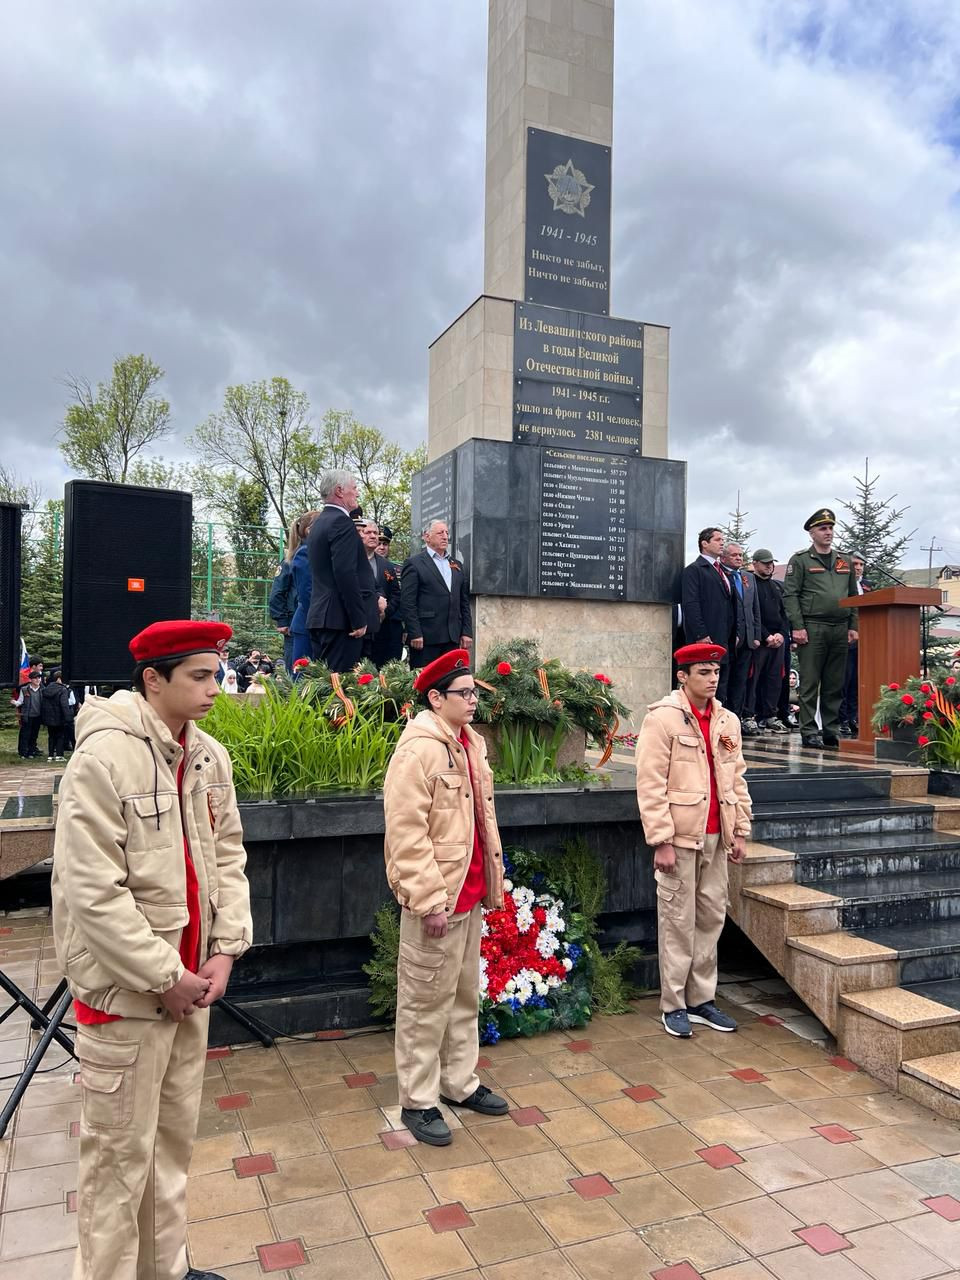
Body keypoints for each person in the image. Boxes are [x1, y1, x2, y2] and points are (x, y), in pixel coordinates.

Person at [51, 619, 253, 1280]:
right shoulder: (103, 759)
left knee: (169, 1147)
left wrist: (224, 950)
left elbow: (230, 858)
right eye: (200, 676)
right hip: (128, 998)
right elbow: (93, 894)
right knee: (115, 1166)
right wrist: (166, 975)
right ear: (152, 680)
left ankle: (166, 1268)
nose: (215, 688)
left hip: (190, 988)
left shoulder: (208, 755)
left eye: (217, 674)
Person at [382, 649, 508, 1146]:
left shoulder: (470, 743)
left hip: (469, 895)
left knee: (462, 997)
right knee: (423, 1003)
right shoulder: (418, 751)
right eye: (464, 693)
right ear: (436, 698)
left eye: (476, 692)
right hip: (438, 899)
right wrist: (429, 899)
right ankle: (418, 1100)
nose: (473, 700)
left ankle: (459, 1083)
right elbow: (406, 833)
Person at [635, 642, 751, 1039]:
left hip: (717, 836)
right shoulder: (662, 719)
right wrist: (661, 840)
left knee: (711, 918)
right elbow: (650, 783)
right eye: (703, 672)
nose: (712, 678)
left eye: (715, 671)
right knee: (677, 921)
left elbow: (737, 778)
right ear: (682, 676)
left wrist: (740, 831)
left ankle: (702, 1000)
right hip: (681, 838)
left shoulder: (727, 720)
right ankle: (674, 1004)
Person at [783, 508, 859, 749]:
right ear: (812, 533)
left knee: (835, 683)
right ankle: (808, 730)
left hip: (840, 627)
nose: (828, 532)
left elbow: (853, 595)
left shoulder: (844, 560)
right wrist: (797, 627)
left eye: (831, 528)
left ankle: (830, 730)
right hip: (813, 626)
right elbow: (791, 595)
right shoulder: (801, 560)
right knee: (809, 682)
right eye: (823, 528)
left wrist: (853, 625)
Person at [306, 471, 371, 672]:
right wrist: (358, 619)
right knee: (339, 685)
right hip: (340, 621)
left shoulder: (319, 523)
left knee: (325, 683)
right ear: (340, 491)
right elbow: (345, 573)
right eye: (354, 488)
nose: (357, 493)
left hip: (321, 617)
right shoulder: (341, 522)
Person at [400, 521, 473, 669]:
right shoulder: (414, 563)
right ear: (427, 537)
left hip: (452, 637)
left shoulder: (457, 565)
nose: (445, 537)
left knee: (450, 678)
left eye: (447, 533)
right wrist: (414, 632)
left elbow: (463, 601)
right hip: (426, 637)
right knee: (426, 679)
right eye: (440, 533)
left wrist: (467, 632)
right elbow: (408, 602)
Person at [679, 527, 736, 704]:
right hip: (705, 639)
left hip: (724, 639)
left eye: (723, 540)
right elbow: (691, 604)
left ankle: (717, 719)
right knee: (703, 684)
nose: (722, 543)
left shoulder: (723, 572)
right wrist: (700, 634)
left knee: (721, 686)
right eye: (718, 540)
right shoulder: (694, 570)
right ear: (704, 543)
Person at [749, 549, 791, 733]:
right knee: (754, 679)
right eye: (765, 563)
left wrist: (782, 634)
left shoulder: (776, 586)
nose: (769, 566)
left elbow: (784, 613)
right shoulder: (751, 585)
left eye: (771, 563)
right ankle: (751, 715)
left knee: (774, 679)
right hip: (760, 641)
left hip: (777, 641)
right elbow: (751, 614)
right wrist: (766, 636)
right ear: (755, 564)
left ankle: (770, 715)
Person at [720, 543, 761, 728]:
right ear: (723, 558)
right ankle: (722, 720)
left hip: (748, 638)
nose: (739, 558)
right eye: (734, 555)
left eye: (740, 555)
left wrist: (756, 634)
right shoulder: (720, 575)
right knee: (724, 681)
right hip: (730, 638)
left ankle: (735, 721)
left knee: (740, 681)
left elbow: (755, 608)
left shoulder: (748, 577)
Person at [839, 551, 872, 737]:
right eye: (855, 564)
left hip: (865, 640)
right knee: (845, 679)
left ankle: (854, 718)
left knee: (857, 682)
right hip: (846, 637)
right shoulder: (842, 584)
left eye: (861, 564)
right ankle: (842, 719)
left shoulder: (867, 586)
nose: (858, 568)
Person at [269, 515, 303, 671]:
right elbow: (277, 592)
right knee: (294, 667)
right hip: (292, 621)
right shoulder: (290, 561)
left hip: (305, 620)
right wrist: (282, 620)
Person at [289, 510, 321, 668]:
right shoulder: (305, 553)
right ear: (309, 530)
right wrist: (320, 619)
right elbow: (307, 592)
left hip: (312, 622)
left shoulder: (315, 552)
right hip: (307, 624)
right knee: (303, 673)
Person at [357, 519, 390, 661]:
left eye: (375, 533)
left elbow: (378, 588)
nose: (373, 536)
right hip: (353, 624)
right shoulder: (351, 558)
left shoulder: (386, 564)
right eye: (368, 532)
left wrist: (382, 607)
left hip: (375, 626)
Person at [372, 525, 405, 667]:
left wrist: (386, 611)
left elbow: (401, 596)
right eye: (378, 543)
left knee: (392, 666)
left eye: (385, 544)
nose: (381, 547)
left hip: (392, 622)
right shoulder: (363, 565)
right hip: (371, 624)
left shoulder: (398, 569)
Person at [40, 667, 72, 761]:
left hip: (48, 717)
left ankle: (50, 755)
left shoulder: (47, 689)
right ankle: (59, 755)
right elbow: (64, 705)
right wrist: (68, 717)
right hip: (59, 717)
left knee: (51, 736)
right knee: (60, 736)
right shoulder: (63, 690)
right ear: (59, 679)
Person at [12, 669, 43, 758]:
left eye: (39, 678)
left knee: (34, 735)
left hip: (38, 716)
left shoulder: (42, 689)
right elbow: (20, 701)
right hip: (27, 716)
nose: (38, 680)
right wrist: (14, 702)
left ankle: (31, 751)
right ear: (31, 680)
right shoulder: (25, 689)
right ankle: (23, 752)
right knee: (25, 734)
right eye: (35, 678)